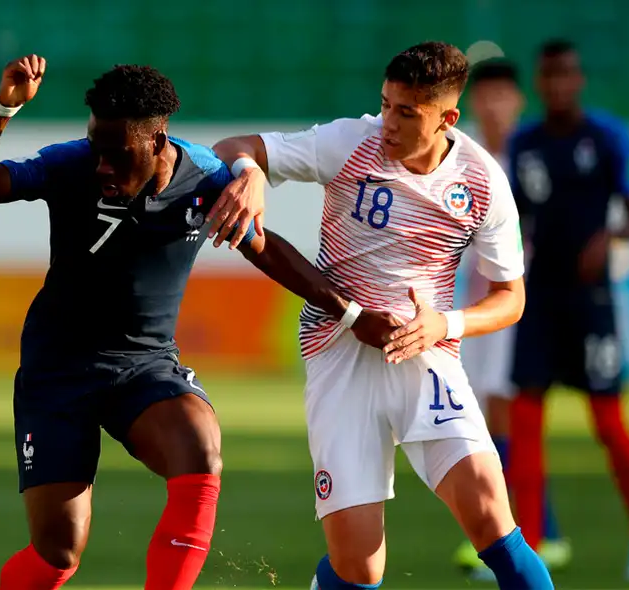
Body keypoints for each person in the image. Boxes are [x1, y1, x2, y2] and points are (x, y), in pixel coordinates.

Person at [0, 55, 361, 590]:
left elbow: (263, 247)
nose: (102, 166)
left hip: (144, 367)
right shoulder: (70, 164)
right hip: (57, 372)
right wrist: (4, 108)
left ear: (158, 140)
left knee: (200, 449)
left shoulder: (205, 178)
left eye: (116, 154)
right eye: (96, 148)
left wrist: (348, 311)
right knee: (57, 555)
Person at [209, 41, 554, 589]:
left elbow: (512, 298)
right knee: (361, 568)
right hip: (338, 353)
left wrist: (446, 324)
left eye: (407, 112)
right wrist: (249, 170)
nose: (387, 123)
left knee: (493, 516)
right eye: (386, 104)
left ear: (447, 118)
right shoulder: (351, 141)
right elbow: (233, 145)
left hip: (427, 355)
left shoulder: (484, 181)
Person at [507, 38, 629, 584]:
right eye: (548, 76)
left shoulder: (607, 137)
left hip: (591, 302)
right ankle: (528, 545)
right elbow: (512, 221)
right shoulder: (524, 146)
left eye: (566, 75)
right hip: (538, 300)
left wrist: (610, 237)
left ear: (579, 80)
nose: (557, 85)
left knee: (609, 423)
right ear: (539, 82)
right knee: (524, 419)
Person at [452, 58, 570, 578]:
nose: (495, 105)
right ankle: (524, 531)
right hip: (471, 304)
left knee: (505, 414)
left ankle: (530, 533)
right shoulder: (464, 155)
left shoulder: (529, 155)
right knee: (479, 415)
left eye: (504, 95)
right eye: (486, 96)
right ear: (472, 103)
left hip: (515, 306)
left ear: (518, 101)